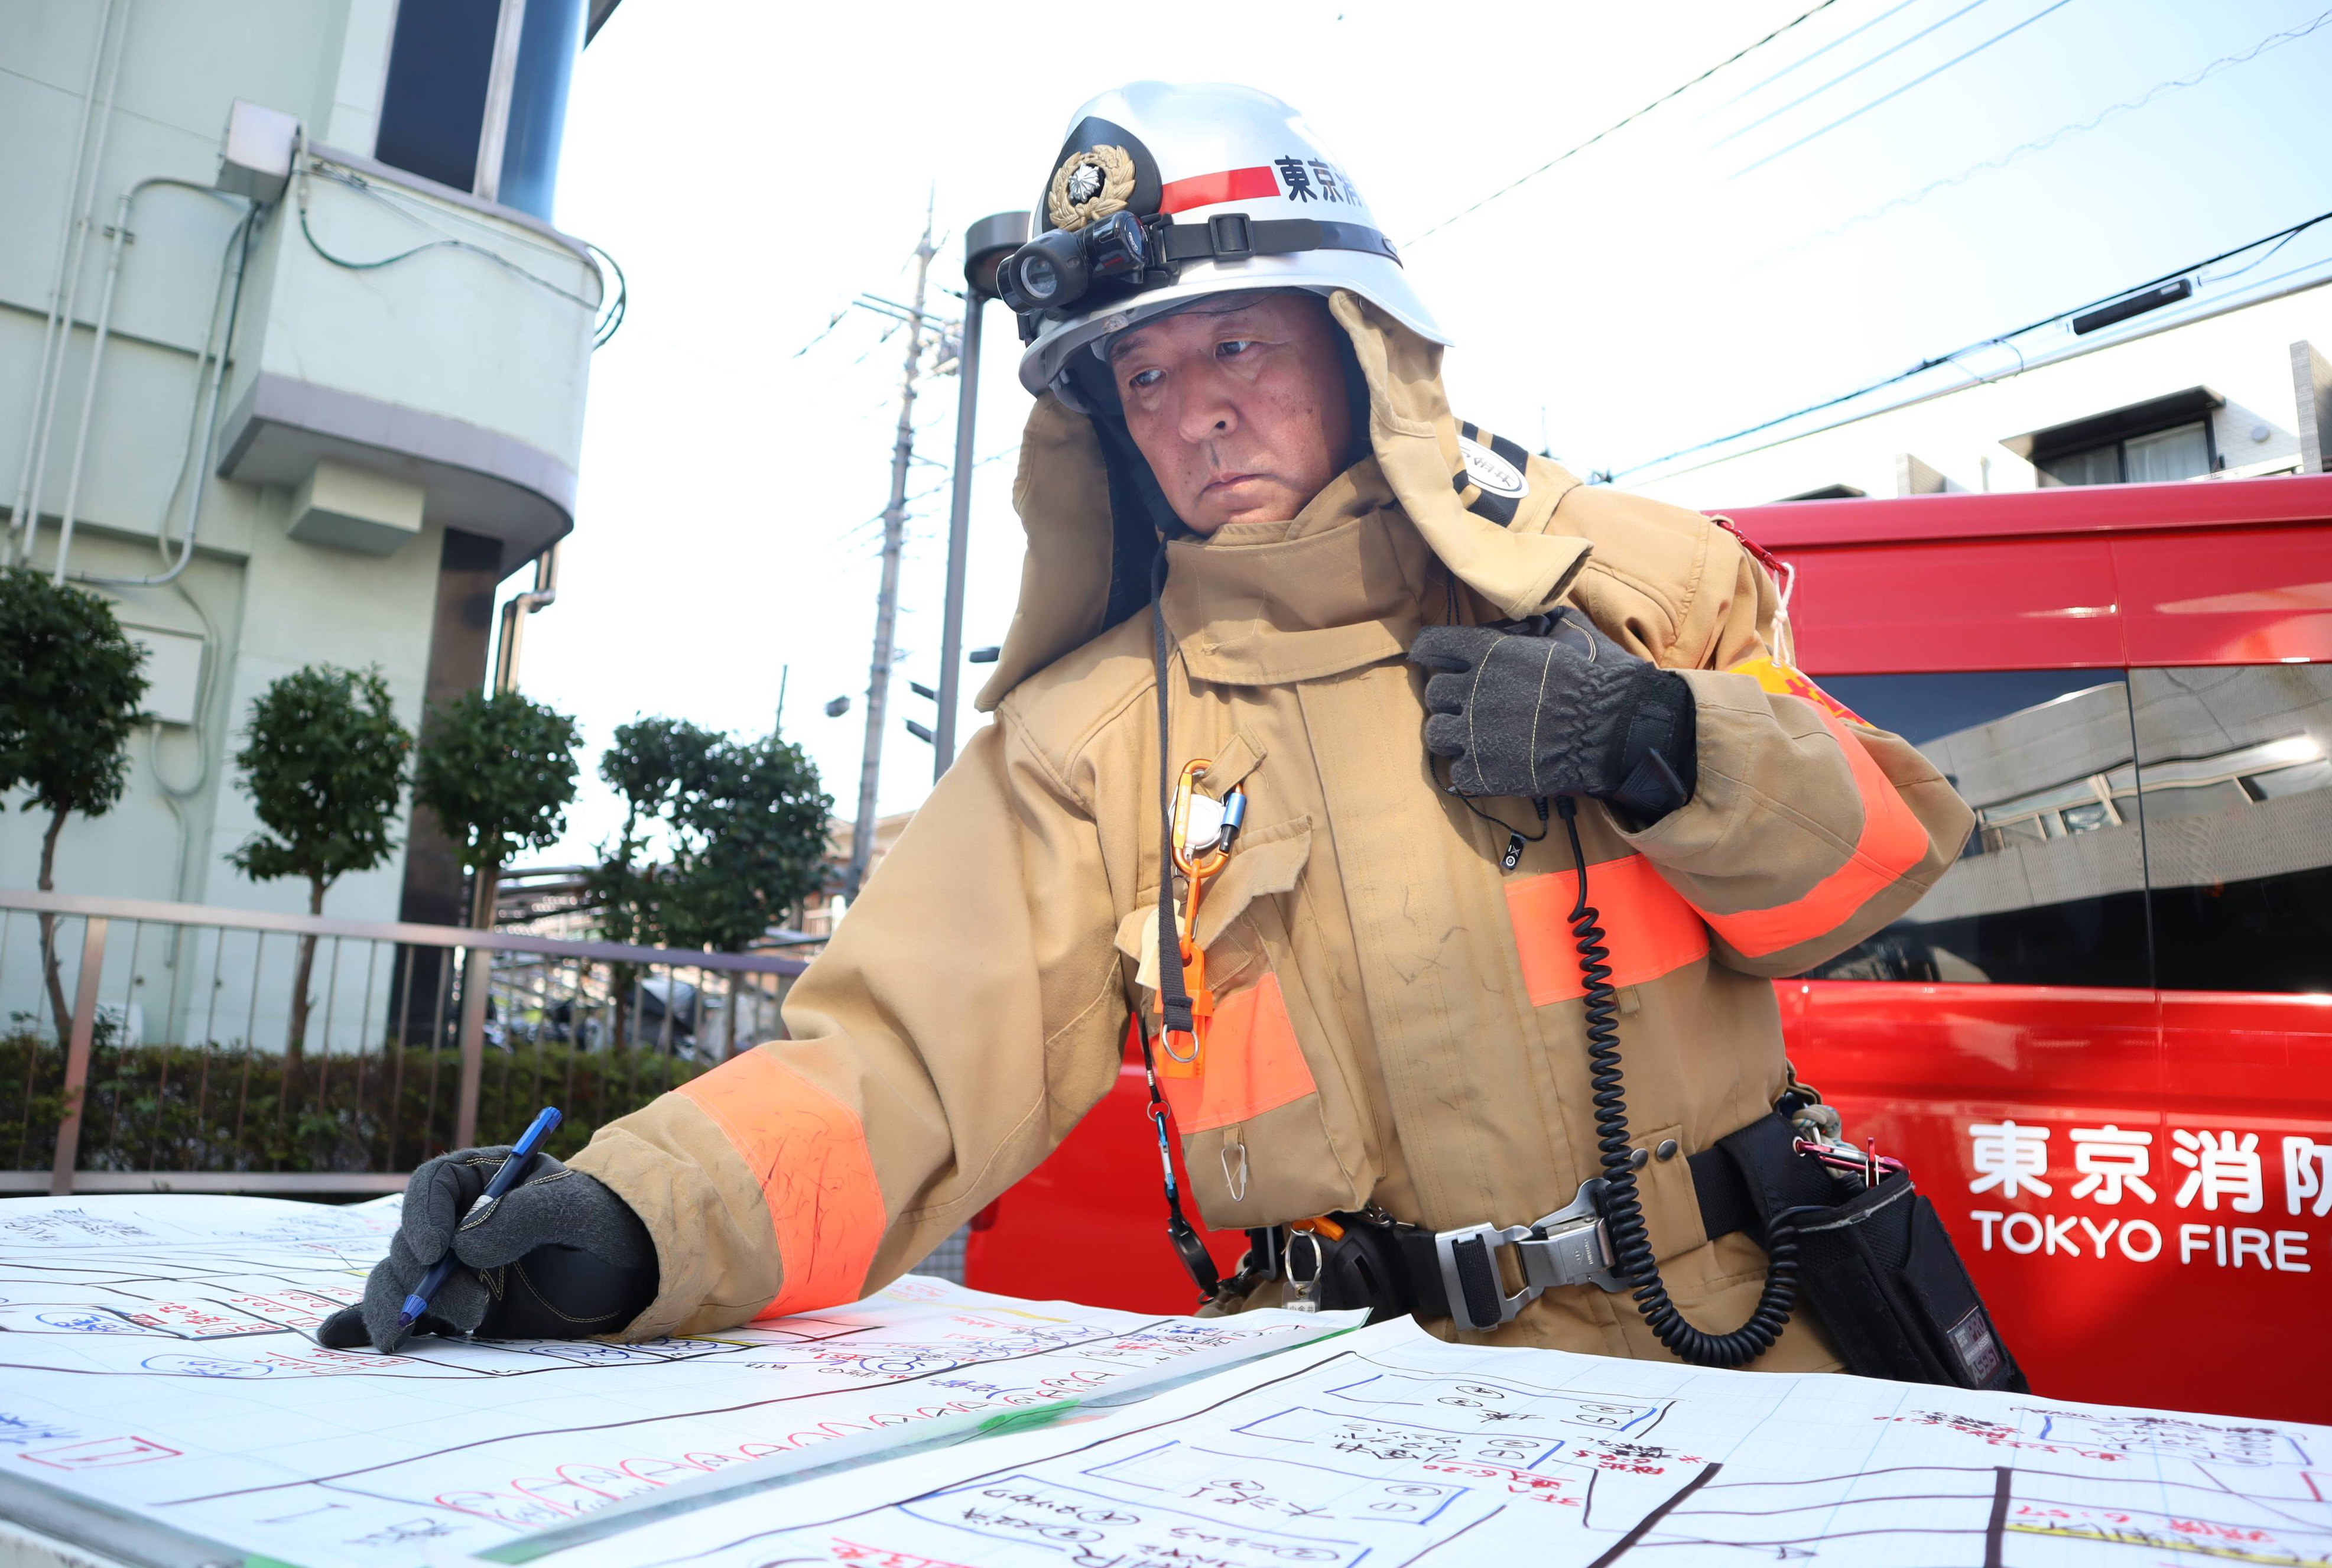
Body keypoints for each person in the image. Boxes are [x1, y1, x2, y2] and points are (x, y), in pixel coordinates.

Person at [322, 82, 1973, 1371]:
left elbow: (1871, 875)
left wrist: (1664, 742)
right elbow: (896, 1062)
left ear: (1355, 343)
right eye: (1144, 377)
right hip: (1332, 1406)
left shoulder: (1625, 581)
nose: (1198, 410)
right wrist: (625, 1219)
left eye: (1237, 342)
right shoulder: (1089, 734)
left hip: (1746, 1360)